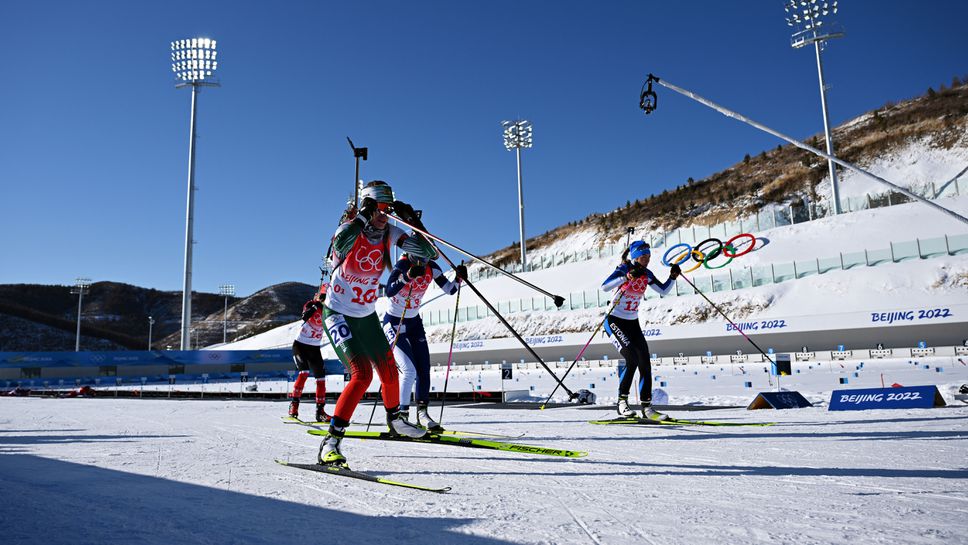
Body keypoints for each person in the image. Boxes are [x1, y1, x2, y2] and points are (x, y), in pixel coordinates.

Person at [317, 180, 440, 467]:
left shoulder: (390, 233)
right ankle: (331, 442)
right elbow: (339, 243)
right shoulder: (348, 230)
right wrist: (363, 215)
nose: (384, 214)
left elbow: (429, 254)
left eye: (388, 208)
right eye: (379, 208)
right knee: (362, 375)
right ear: (367, 206)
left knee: (390, 372)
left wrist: (413, 222)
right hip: (337, 313)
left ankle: (396, 421)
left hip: (366, 316)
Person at [383, 254, 466, 432]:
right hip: (394, 322)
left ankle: (422, 413)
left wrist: (459, 278)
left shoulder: (432, 267)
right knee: (408, 369)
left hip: (414, 323)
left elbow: (450, 290)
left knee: (423, 367)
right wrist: (407, 277)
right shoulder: (403, 264)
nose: (426, 259)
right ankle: (402, 416)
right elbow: (388, 291)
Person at [601, 240, 680, 420]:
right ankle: (622, 403)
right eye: (643, 256)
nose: (647, 259)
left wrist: (673, 277)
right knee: (632, 358)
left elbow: (663, 290)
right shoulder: (624, 268)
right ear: (636, 257)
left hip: (632, 322)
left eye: (649, 256)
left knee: (645, 361)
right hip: (614, 320)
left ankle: (647, 408)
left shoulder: (647, 273)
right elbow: (605, 286)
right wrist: (626, 277)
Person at [287, 285, 330, 423]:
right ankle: (294, 405)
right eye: (322, 297)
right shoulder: (311, 304)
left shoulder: (329, 311)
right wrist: (315, 306)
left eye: (326, 298)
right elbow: (305, 316)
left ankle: (320, 412)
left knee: (321, 379)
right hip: (300, 345)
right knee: (304, 373)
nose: (324, 300)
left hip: (314, 348)